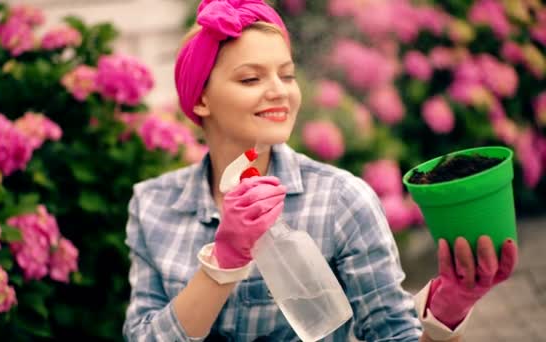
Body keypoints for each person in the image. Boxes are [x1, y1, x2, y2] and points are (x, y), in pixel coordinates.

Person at [123, 1, 518, 341]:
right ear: (202, 98)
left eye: (287, 74)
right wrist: (223, 262)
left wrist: (446, 313)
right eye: (250, 78)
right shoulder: (154, 204)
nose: (279, 90)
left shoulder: (341, 200)